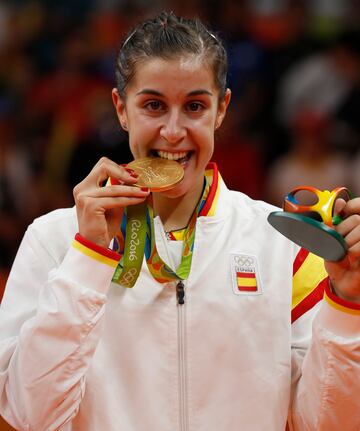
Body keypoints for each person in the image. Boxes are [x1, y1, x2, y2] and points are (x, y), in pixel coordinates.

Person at [0, 11, 360, 431]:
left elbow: (330, 423)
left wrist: (349, 304)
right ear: (121, 108)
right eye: (153, 105)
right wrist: (88, 258)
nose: (173, 132)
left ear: (221, 109)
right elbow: (28, 415)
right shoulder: (54, 241)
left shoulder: (284, 247)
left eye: (194, 106)